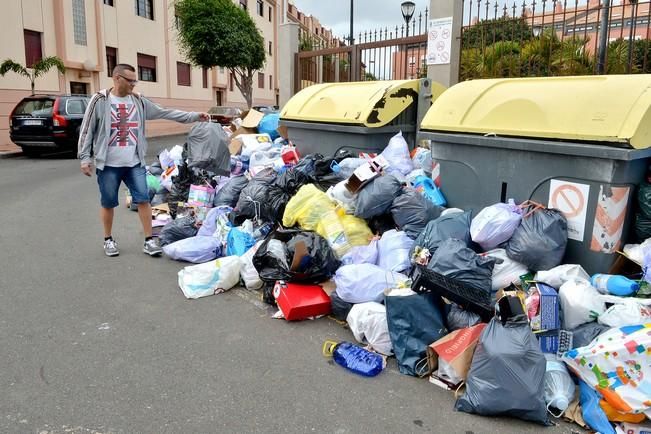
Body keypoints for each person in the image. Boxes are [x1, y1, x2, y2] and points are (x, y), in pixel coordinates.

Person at [78, 63, 210, 257]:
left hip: (134, 163)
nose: (133, 84)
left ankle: (149, 240)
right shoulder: (100, 100)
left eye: (135, 81)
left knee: (143, 199)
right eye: (130, 80)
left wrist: (194, 116)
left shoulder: (138, 101)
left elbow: (165, 112)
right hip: (108, 164)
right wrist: (85, 157)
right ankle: (108, 239)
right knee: (108, 203)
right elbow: (87, 128)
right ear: (116, 78)